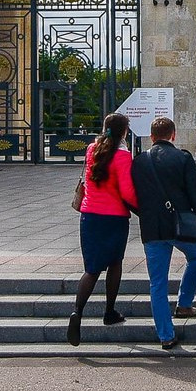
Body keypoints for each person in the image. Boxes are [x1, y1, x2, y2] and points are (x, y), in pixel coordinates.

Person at [133, 115, 196, 350]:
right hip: (181, 226)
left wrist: (144, 213)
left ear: (151, 136)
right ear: (173, 135)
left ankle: (166, 335)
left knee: (157, 283)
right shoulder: (183, 158)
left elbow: (132, 195)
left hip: (153, 228)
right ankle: (184, 303)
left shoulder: (139, 161)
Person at [69, 111, 137, 345]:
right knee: (115, 263)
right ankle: (109, 312)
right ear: (124, 131)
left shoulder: (92, 149)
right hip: (114, 218)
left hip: (89, 216)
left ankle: (77, 311)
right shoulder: (122, 156)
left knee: (92, 269)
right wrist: (144, 209)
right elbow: (127, 191)